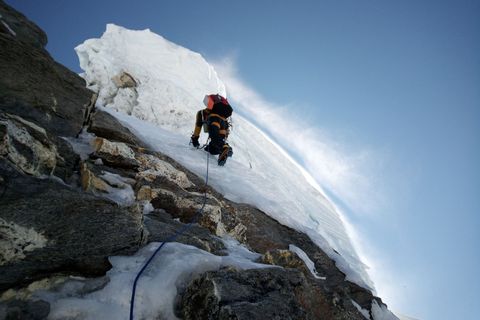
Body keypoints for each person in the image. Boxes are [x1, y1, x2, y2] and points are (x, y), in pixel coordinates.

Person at [190, 94, 233, 166]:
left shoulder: (201, 113)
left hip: (215, 121)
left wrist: (195, 139)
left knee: (214, 135)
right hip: (224, 124)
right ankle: (224, 150)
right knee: (212, 149)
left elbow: (198, 127)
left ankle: (224, 147)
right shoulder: (223, 115)